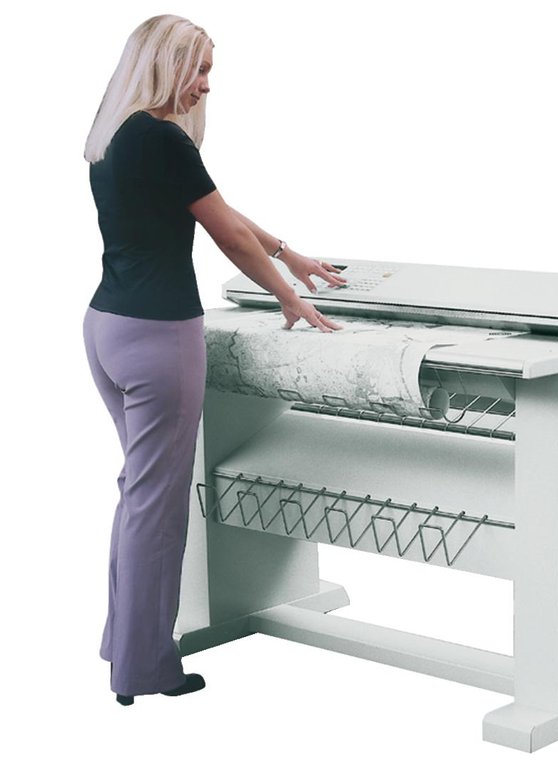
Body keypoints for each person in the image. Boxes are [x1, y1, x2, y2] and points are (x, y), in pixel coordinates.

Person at [83, 14, 345, 706]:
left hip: (107, 327)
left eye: (208, 71)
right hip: (158, 336)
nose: (205, 85)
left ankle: (123, 643)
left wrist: (289, 253)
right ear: (165, 65)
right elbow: (226, 233)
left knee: (138, 495)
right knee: (160, 508)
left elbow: (216, 209)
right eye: (197, 70)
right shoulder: (162, 137)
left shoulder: (117, 133)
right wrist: (289, 297)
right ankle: (146, 669)